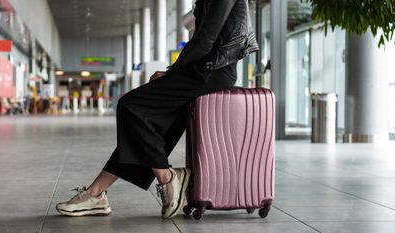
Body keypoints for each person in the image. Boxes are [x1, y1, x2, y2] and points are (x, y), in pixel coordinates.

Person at [56, 0, 258, 219]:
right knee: (145, 133)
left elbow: (205, 41)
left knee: (130, 105)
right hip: (204, 70)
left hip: (213, 71)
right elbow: (202, 40)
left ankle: (168, 178)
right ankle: (96, 194)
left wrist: (171, 72)